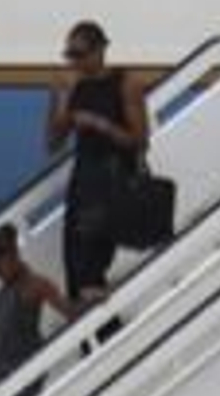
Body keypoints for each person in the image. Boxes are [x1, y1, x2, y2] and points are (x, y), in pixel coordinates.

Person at [45, 20, 149, 306]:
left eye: (80, 55)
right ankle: (98, 338)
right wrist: (62, 101)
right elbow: (52, 144)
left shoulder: (126, 84)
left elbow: (140, 141)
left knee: (90, 264)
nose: (74, 62)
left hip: (114, 179)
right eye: (70, 55)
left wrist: (100, 124)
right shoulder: (71, 85)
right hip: (85, 179)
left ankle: (105, 336)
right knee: (75, 265)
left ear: (100, 51)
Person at [0, 222, 71, 396]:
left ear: (12, 256)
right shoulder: (2, 292)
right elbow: (2, 330)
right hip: (2, 375)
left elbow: (69, 312)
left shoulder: (34, 284)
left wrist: (93, 300)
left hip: (24, 373)